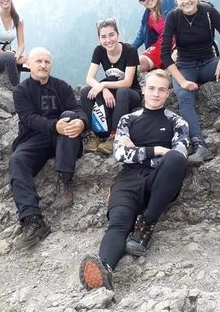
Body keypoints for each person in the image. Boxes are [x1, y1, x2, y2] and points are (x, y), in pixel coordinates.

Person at [79, 69, 189, 290]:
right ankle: (104, 270)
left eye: (161, 90)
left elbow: (178, 155)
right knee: (119, 222)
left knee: (175, 160)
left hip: (159, 181)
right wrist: (158, 150)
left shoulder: (178, 123)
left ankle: (146, 225)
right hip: (128, 179)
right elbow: (120, 154)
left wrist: (138, 150)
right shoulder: (127, 120)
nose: (156, 93)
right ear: (144, 90)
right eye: (151, 88)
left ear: (168, 93)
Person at [9, 47, 88, 249]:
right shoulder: (21, 91)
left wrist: (81, 122)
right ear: (29, 64)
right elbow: (28, 118)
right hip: (34, 138)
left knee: (70, 115)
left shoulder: (62, 86)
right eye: (39, 61)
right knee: (17, 160)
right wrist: (54, 126)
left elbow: (78, 109)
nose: (43, 65)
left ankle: (64, 180)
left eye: (47, 62)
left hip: (64, 138)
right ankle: (33, 220)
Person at [161, 0, 220, 165]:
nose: (186, 1)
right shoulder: (173, 17)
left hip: (209, 63)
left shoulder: (208, 12)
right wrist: (182, 81)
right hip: (185, 66)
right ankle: (199, 145)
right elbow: (165, 55)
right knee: (184, 96)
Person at [80, 19, 142, 155]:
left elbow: (127, 82)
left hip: (130, 93)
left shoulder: (130, 51)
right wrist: (103, 89)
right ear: (99, 39)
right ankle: (95, 134)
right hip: (111, 91)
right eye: (103, 37)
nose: (108, 40)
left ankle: (115, 135)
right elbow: (89, 78)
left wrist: (103, 84)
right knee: (85, 92)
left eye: (111, 35)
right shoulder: (99, 51)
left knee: (122, 92)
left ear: (118, 35)